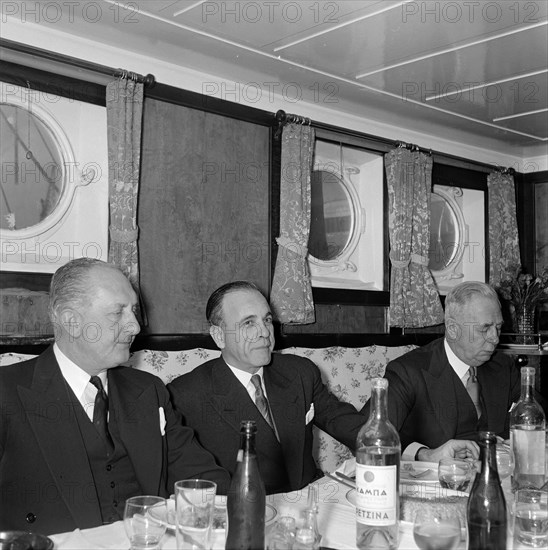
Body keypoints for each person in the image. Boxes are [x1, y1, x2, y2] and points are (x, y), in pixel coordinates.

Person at [0, 258, 230, 535]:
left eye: (133, 311)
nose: (135, 326)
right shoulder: (8, 393)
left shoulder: (148, 390)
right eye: (117, 313)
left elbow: (200, 476)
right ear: (71, 321)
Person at [168, 281, 367, 494]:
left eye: (267, 320)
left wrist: (381, 449)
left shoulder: (300, 372)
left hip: (308, 501)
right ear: (219, 336)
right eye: (248, 323)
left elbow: (345, 424)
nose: (264, 332)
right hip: (245, 511)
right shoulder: (185, 395)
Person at [368, 281, 546, 463]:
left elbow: (539, 415)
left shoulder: (502, 366)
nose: (495, 338)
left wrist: (517, 439)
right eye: (485, 328)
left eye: (498, 327)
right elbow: (372, 435)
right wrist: (425, 454)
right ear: (453, 329)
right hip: (436, 483)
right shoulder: (409, 372)